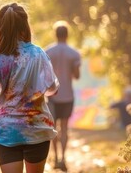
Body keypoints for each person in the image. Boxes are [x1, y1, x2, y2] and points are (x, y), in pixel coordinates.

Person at [0, 3, 59, 173]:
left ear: (0, 27)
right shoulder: (39, 53)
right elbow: (52, 88)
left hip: (8, 131)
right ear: (25, 26)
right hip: (37, 129)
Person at [45, 21, 81, 171]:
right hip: (67, 96)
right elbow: (77, 76)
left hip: (52, 95)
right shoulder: (74, 53)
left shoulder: (47, 52)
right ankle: (63, 158)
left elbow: (44, 75)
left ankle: (55, 156)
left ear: (55, 34)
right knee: (64, 128)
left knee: (53, 127)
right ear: (67, 34)